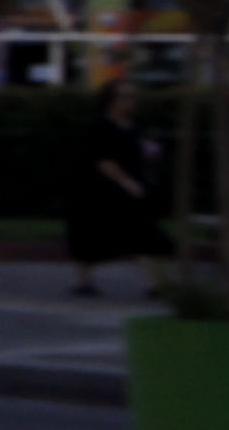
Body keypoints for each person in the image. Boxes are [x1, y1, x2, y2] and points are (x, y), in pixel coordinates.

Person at [66, 75, 169, 298]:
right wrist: (128, 183)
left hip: (128, 190)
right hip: (101, 191)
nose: (132, 101)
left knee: (142, 233)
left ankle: (154, 284)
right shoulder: (101, 127)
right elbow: (104, 161)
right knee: (91, 234)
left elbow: (137, 150)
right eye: (127, 96)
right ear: (112, 100)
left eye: (134, 96)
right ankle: (83, 280)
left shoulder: (133, 126)